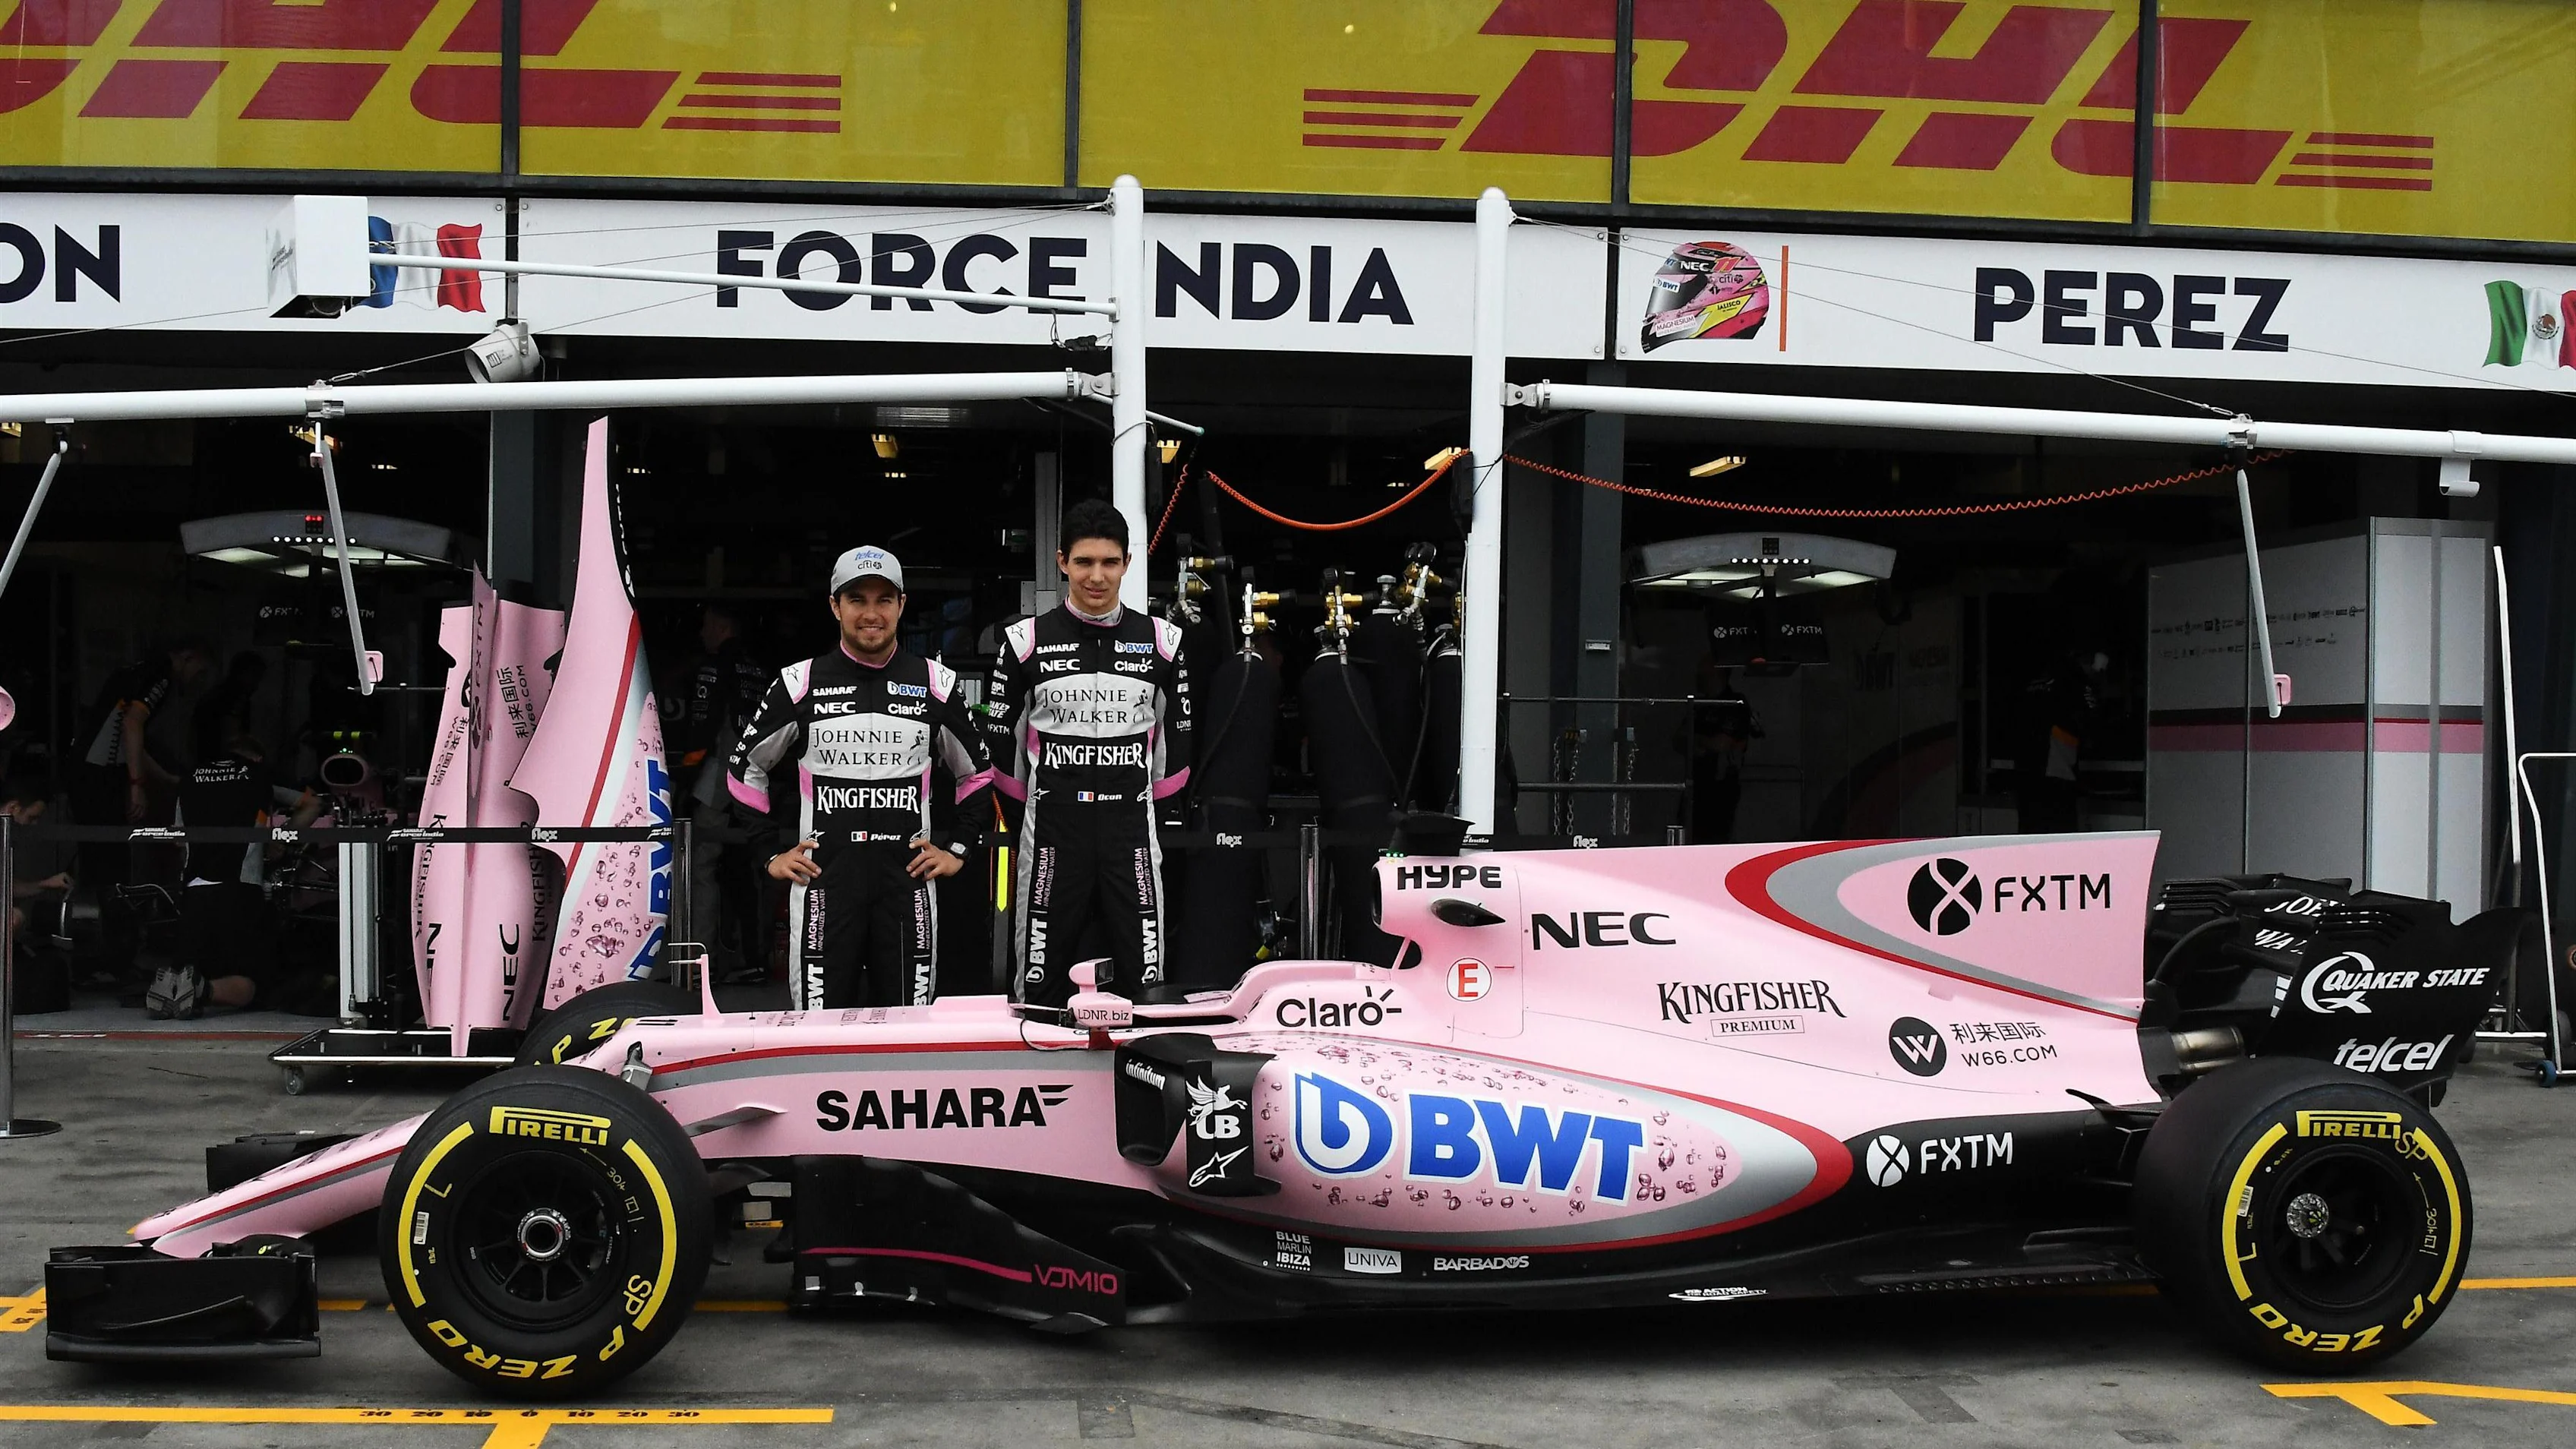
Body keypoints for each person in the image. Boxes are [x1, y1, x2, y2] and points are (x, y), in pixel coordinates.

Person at [727, 547, 993, 1010]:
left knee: (909, 1031)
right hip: (824, 886)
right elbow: (744, 769)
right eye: (857, 600)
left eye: (883, 600)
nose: (871, 614)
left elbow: (977, 774)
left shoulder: (936, 684)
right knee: (818, 1031)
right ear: (835, 606)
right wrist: (769, 853)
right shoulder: (799, 683)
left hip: (907, 886)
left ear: (902, 605)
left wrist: (957, 851)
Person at [987, 499, 1192, 1008]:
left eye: (1108, 562)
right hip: (1052, 828)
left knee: (1146, 980)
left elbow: (1176, 740)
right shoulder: (1024, 641)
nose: (1096, 577)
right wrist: (1025, 811)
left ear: (1127, 563)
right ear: (1062, 562)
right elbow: (1002, 745)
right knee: (1039, 983)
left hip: (1131, 829)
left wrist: (1159, 810)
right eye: (1084, 562)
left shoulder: (1163, 641)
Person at [71, 639, 211, 994]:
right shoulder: (159, 674)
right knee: (110, 872)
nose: (197, 678)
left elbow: (132, 736)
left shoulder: (132, 672)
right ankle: (108, 960)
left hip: (89, 775)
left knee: (107, 867)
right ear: (187, 655)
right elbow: (132, 725)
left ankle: (106, 958)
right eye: (199, 669)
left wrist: (163, 779)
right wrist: (137, 785)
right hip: (100, 778)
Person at [150, 735, 313, 1018]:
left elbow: (178, 838)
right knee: (256, 983)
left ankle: (175, 987)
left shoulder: (190, 778)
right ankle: (202, 990)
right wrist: (280, 838)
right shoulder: (260, 776)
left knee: (193, 963)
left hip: (194, 892)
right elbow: (313, 804)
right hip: (240, 890)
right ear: (257, 759)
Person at [674, 604, 769, 981]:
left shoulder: (714, 668)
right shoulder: (759, 672)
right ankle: (756, 959)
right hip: (759, 783)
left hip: (718, 780)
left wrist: (684, 782)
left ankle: (698, 962)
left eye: (707, 625)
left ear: (723, 627)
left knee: (700, 865)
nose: (702, 633)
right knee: (755, 867)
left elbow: (703, 731)